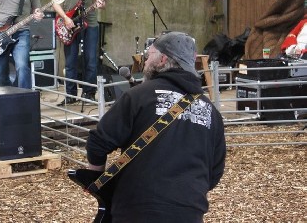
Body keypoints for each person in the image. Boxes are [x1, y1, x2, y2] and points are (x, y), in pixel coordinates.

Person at [86, 31, 226, 222]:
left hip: (136, 210)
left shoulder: (138, 96)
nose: (145, 60)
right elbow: (215, 171)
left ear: (162, 60)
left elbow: (98, 142)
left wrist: (96, 181)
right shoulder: (212, 113)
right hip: (188, 212)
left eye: (149, 55)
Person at [51, 0, 104, 105]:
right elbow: (54, 2)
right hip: (69, 23)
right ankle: (71, 95)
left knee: (91, 59)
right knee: (71, 61)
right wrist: (65, 18)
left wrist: (100, 1)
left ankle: (89, 93)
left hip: (90, 22)